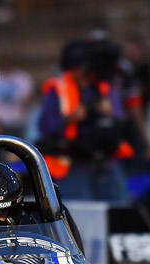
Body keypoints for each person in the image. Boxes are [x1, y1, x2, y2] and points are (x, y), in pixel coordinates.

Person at [36, 38, 133, 202]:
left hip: (106, 159)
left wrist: (109, 112)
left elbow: (121, 118)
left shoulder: (103, 86)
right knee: (80, 210)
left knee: (119, 206)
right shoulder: (58, 88)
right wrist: (70, 118)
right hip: (74, 162)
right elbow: (46, 126)